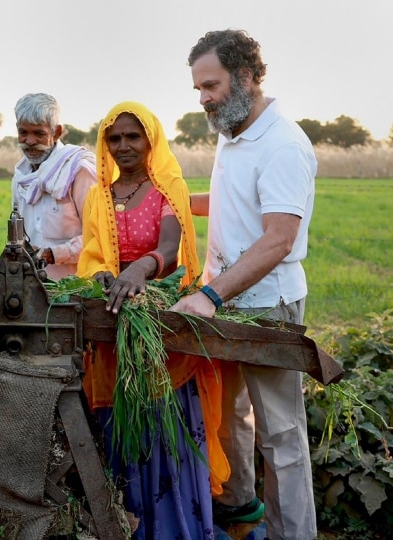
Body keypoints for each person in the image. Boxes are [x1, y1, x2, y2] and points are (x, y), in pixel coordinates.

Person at [170, 29, 318, 540]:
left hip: (267, 306)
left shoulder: (283, 144)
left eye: (210, 86)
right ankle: (239, 511)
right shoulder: (231, 132)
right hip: (228, 302)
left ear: (248, 75)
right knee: (232, 414)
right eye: (199, 89)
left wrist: (209, 295)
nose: (204, 99)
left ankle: (291, 535)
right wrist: (172, 199)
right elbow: (233, 201)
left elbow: (277, 238)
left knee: (282, 435)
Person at [77, 101, 229, 539]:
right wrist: (102, 275)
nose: (124, 146)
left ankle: (175, 529)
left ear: (151, 140)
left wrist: (141, 268)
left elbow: (170, 246)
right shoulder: (98, 196)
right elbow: (90, 254)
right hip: (111, 327)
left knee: (166, 427)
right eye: (114, 138)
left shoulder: (167, 188)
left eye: (133, 136)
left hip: (159, 325)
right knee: (118, 429)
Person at [12, 92, 97, 280]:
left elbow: (98, 236)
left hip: (77, 290)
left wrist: (53, 254)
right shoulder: (20, 176)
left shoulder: (78, 169)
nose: (30, 141)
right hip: (32, 288)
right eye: (23, 133)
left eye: (39, 133)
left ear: (56, 132)